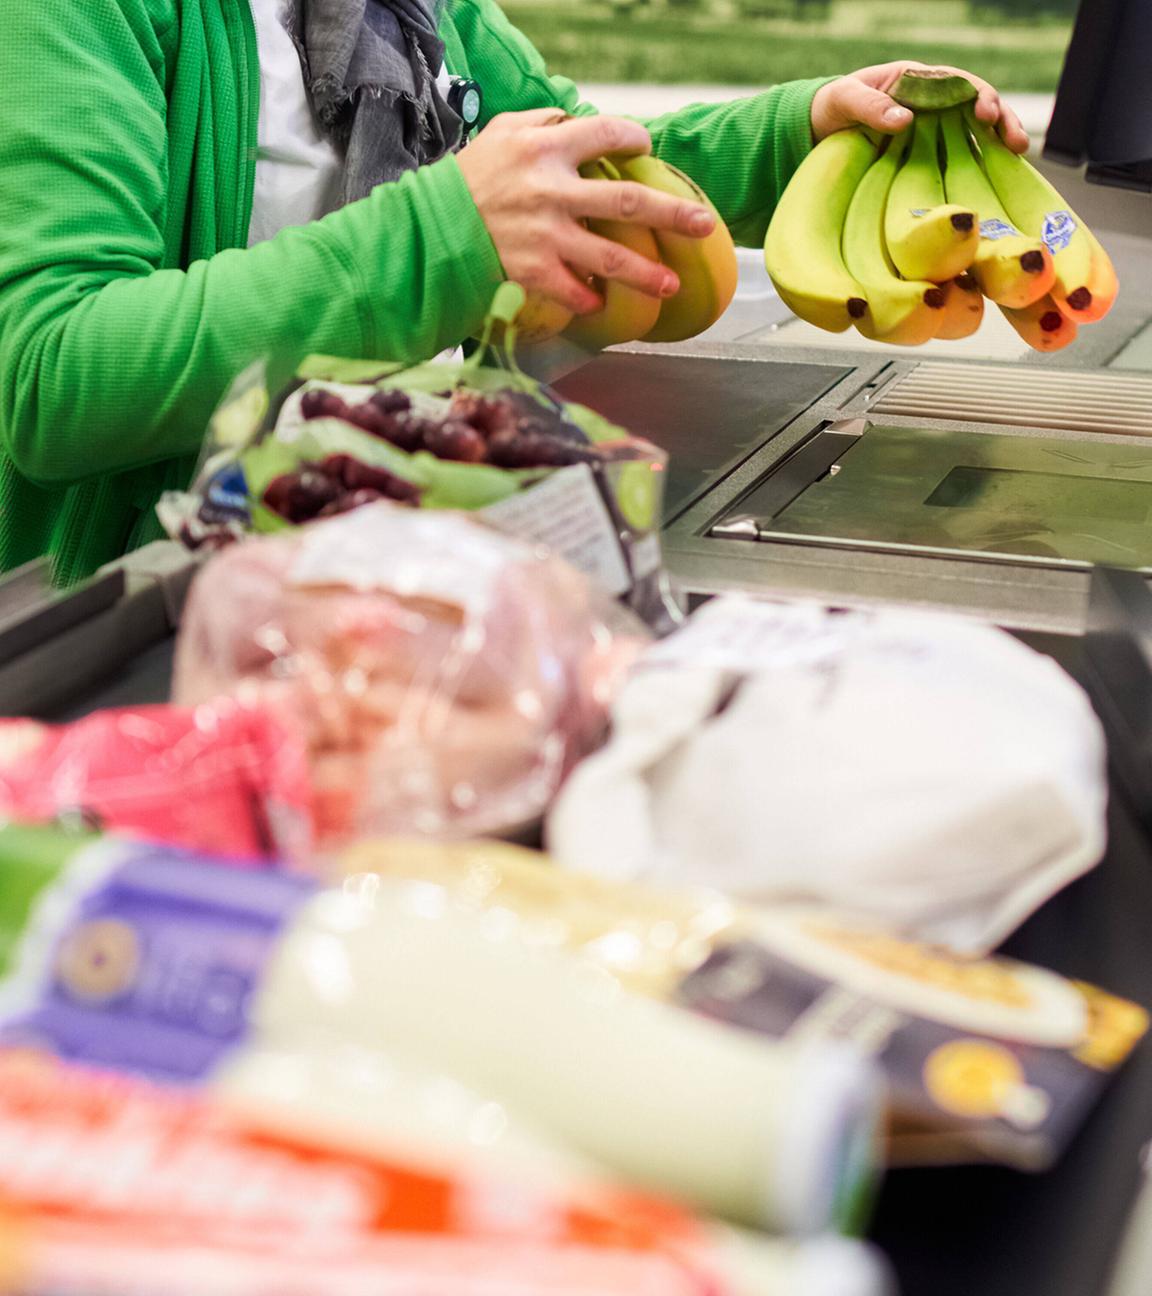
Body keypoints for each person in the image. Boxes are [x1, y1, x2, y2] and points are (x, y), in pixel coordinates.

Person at [0, 0, 1028, 586]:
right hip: (146, 611)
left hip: (382, 562)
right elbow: (54, 373)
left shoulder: (416, 10)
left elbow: (584, 163)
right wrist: (445, 232)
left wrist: (795, 129)